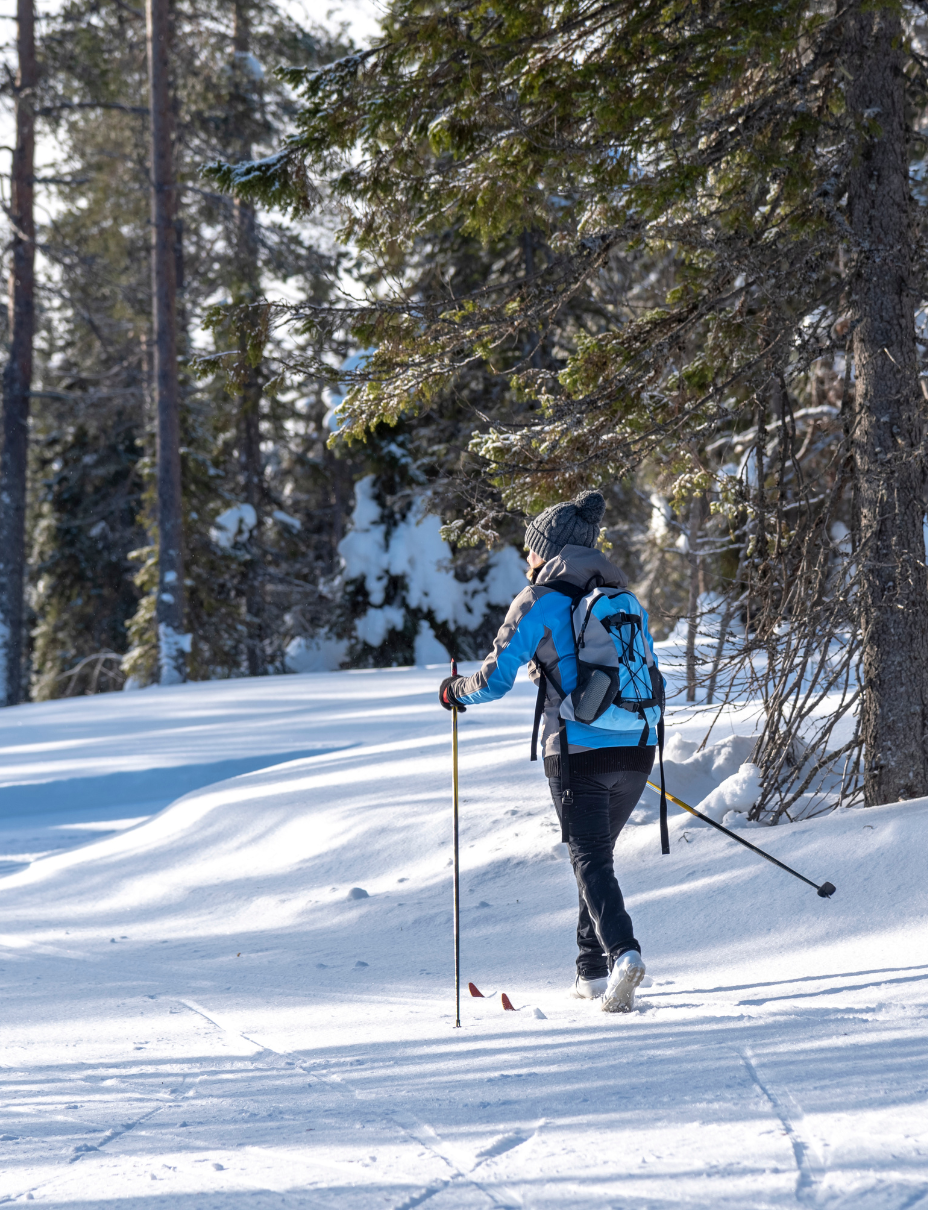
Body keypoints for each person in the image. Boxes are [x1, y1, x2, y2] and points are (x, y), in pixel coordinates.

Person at [438, 490, 661, 1013]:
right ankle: (590, 973)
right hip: (638, 749)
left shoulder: (539, 601)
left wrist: (455, 691)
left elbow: (494, 680)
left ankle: (624, 953)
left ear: (550, 550)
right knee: (595, 861)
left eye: (531, 550)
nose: (527, 559)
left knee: (589, 859)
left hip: (578, 749)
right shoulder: (619, 598)